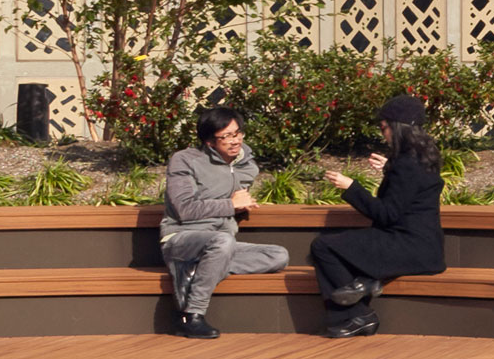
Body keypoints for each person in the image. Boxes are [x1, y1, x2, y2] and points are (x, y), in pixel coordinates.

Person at [310, 93, 446, 337]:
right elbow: (410, 192)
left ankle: (358, 314)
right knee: (341, 246)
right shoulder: (423, 157)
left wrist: (351, 187)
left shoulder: (406, 164)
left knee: (323, 247)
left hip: (409, 246)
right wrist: (389, 169)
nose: (383, 133)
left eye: (384, 127)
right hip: (423, 245)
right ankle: (367, 282)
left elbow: (387, 214)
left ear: (397, 128)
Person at [158, 106, 290, 338]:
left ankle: (195, 270)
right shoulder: (185, 160)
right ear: (209, 141)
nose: (234, 141)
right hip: (181, 238)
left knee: (278, 256)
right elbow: (184, 208)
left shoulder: (246, 165)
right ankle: (191, 315)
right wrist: (230, 205)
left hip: (221, 243)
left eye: (237, 133)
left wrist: (241, 206)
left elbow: (232, 202)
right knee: (221, 242)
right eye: (226, 136)